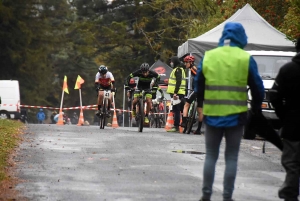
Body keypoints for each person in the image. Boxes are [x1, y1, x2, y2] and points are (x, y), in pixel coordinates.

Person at [194, 22, 264, 201]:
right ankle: (227, 197)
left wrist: (200, 105)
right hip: (236, 114)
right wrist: (256, 107)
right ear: (241, 36)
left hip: (212, 114)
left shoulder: (209, 56)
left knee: (211, 155)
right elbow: (257, 86)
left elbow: (199, 83)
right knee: (231, 157)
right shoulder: (245, 58)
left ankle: (206, 195)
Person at [270, 38, 300, 201]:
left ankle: (290, 194)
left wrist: (284, 116)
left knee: (292, 163)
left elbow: (274, 95)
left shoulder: (288, 69)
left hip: (293, 123)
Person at [180, 55, 203, 134]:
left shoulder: (193, 69)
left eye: (186, 62)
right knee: (200, 110)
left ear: (190, 62)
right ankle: (199, 129)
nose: (185, 64)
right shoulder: (195, 69)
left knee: (186, 104)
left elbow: (198, 77)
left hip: (197, 90)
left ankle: (184, 121)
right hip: (203, 91)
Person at [166, 56, 186, 132]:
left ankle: (176, 126)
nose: (171, 63)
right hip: (179, 93)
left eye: (172, 62)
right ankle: (178, 125)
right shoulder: (178, 69)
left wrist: (175, 92)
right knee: (177, 109)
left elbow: (178, 81)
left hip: (177, 93)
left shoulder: (178, 70)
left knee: (176, 110)